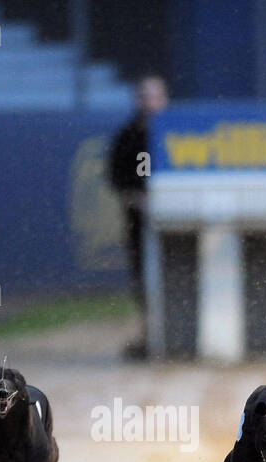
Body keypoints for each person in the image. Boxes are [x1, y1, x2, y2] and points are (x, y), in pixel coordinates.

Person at [109, 75, 168, 359]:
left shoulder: (177, 133)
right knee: (144, 280)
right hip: (139, 224)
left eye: (155, 96)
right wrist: (141, 202)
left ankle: (176, 335)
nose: (150, 102)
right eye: (145, 96)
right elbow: (117, 181)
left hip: (174, 227)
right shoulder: (127, 136)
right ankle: (151, 337)